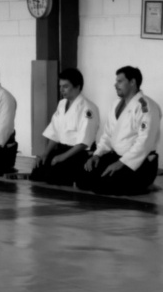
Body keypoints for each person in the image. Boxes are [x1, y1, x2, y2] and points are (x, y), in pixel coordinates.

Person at [76, 66, 161, 195]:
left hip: (139, 162)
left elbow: (144, 142)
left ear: (132, 82)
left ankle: (145, 184)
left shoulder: (146, 106)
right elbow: (107, 135)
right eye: (116, 81)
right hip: (116, 157)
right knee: (83, 178)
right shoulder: (116, 104)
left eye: (120, 81)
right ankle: (136, 184)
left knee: (103, 186)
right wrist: (97, 155)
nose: (115, 85)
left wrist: (121, 163)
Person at [30, 68, 100, 186]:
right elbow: (55, 132)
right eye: (60, 86)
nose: (61, 90)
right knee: (37, 173)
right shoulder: (62, 104)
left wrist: (62, 157)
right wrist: (45, 153)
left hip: (78, 153)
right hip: (61, 149)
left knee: (53, 177)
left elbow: (84, 142)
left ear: (77, 86)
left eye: (65, 86)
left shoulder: (88, 108)